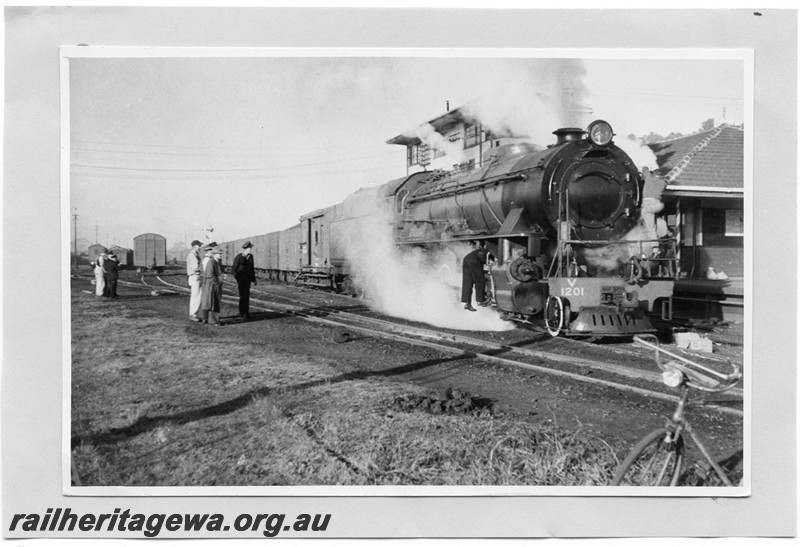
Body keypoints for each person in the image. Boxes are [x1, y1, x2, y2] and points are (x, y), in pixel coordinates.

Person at [199, 243, 224, 326]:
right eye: (219, 254)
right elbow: (210, 275)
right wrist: (218, 281)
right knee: (214, 303)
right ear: (215, 254)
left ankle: (208, 319)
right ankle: (213, 321)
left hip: (212, 285)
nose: (221, 255)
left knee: (210, 303)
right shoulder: (212, 262)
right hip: (212, 286)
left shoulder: (214, 261)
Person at [461, 241, 489, 312]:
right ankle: (481, 300)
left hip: (466, 259)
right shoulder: (489, 251)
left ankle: (468, 303)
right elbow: (483, 259)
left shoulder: (480, 250)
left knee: (468, 282)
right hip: (474, 261)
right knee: (480, 280)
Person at [232, 240, 257, 319]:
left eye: (251, 248)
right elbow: (234, 269)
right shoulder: (239, 257)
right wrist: (237, 278)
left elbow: (251, 268)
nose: (251, 250)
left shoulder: (251, 257)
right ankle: (242, 312)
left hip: (247, 280)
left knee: (246, 296)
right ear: (245, 249)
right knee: (242, 296)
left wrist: (254, 279)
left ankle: (246, 312)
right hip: (241, 280)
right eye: (250, 248)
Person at [641, 166, 667, 241]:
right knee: (654, 221)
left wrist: (646, 167)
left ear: (653, 174)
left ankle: (655, 247)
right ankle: (661, 232)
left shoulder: (649, 178)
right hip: (658, 204)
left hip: (648, 203)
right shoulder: (663, 183)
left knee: (650, 228)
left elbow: (644, 170)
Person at [186, 240, 203, 322]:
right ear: (195, 246)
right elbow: (196, 267)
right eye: (199, 246)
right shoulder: (192, 255)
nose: (200, 247)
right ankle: (193, 314)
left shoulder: (195, 255)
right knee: (195, 296)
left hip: (196, 277)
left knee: (197, 296)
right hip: (195, 277)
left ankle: (194, 313)